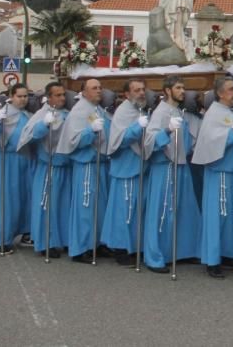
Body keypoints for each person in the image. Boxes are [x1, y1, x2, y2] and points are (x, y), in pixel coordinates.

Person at [193, 77, 233, 279]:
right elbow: (210, 142)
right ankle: (212, 260)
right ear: (220, 93)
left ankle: (229, 253)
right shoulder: (214, 113)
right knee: (217, 217)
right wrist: (232, 133)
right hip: (219, 174)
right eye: (230, 89)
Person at [142, 75, 201, 273]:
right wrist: (166, 131)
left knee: (183, 210)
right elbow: (149, 140)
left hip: (181, 166)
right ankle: (155, 256)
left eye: (183, 88)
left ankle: (180, 251)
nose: (182, 91)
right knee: (161, 211)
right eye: (178, 88)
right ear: (167, 90)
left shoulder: (177, 111)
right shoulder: (161, 112)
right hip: (165, 167)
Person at [58, 78, 112, 263]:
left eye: (100, 87)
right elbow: (73, 140)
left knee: (99, 206)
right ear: (84, 92)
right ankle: (80, 248)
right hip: (86, 164)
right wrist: (90, 132)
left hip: (99, 163)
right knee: (85, 206)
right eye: (94, 88)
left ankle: (95, 243)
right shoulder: (80, 111)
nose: (99, 91)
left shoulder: (95, 109)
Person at [17, 82, 70, 257]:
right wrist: (43, 126)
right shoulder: (41, 114)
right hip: (47, 165)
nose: (62, 98)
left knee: (62, 206)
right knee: (46, 205)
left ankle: (61, 239)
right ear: (49, 97)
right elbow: (28, 136)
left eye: (63, 94)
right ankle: (45, 242)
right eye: (58, 95)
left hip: (65, 165)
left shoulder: (67, 114)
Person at [100, 80, 148, 266]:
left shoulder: (138, 110)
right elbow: (119, 139)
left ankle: (133, 246)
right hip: (125, 168)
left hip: (138, 167)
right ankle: (120, 248)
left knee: (135, 211)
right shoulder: (123, 112)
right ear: (127, 94)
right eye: (137, 90)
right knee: (123, 211)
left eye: (143, 89)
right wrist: (138, 128)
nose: (141, 93)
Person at [0, 83, 32, 254]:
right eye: (20, 96)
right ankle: (0, 239)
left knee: (23, 198)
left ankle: (25, 232)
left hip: (24, 160)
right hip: (6, 160)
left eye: (26, 96)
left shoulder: (27, 114)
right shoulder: (2, 114)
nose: (23, 99)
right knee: (5, 200)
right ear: (11, 96)